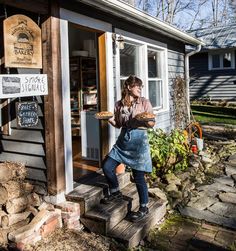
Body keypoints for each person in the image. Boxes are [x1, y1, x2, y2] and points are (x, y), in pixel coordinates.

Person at [101, 75, 155, 222]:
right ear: (129, 87)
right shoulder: (119, 104)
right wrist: (108, 119)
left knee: (138, 177)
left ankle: (144, 207)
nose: (140, 89)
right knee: (107, 166)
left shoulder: (144, 102)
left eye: (141, 86)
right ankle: (115, 191)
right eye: (138, 86)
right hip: (123, 141)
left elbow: (152, 123)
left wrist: (144, 120)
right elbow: (118, 124)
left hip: (139, 142)